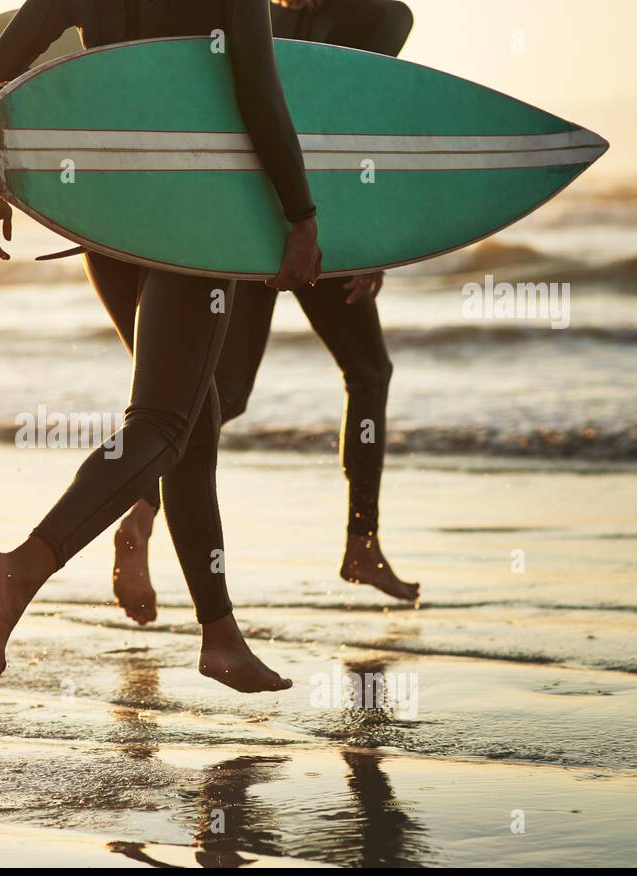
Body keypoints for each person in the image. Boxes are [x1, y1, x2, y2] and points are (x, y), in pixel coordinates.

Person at [0, 0, 320, 691]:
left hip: (105, 211)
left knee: (197, 412)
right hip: (192, 205)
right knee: (163, 424)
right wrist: (301, 214)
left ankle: (219, 636)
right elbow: (259, 92)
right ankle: (25, 565)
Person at [111, 0, 420, 630]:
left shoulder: (285, 17)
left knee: (234, 392)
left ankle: (140, 514)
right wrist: (362, 239)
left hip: (266, 220)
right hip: (305, 226)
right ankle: (359, 543)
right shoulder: (379, 18)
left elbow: (326, 125)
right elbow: (350, 134)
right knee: (339, 376)